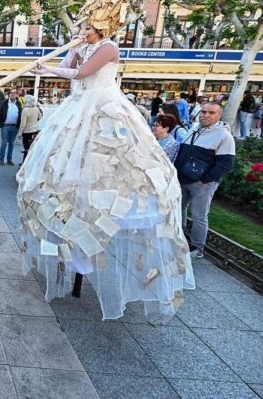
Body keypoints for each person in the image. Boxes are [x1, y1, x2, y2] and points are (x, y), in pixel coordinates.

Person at [20, 23, 194, 319]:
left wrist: (49, 70)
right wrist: (70, 52)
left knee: (113, 164)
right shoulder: (84, 46)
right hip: (77, 107)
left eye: (87, 26)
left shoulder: (109, 47)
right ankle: (75, 247)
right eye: (81, 26)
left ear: (100, 26)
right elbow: (70, 66)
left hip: (103, 107)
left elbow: (83, 74)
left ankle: (98, 242)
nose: (83, 30)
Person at [175, 102, 236, 259]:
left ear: (219, 115)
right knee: (178, 209)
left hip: (203, 183)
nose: (205, 115)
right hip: (183, 179)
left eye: (211, 112)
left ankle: (197, 247)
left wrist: (205, 180)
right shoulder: (194, 128)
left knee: (199, 216)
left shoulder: (224, 136)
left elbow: (226, 164)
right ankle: (179, 238)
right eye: (203, 111)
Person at [0, 89, 23, 166]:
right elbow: (0, 114)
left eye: (15, 93)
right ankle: (1, 160)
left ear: (17, 95)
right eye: (11, 93)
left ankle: (9, 160)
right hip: (5, 126)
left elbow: (20, 114)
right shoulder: (4, 103)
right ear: (8, 94)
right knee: (4, 143)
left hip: (15, 127)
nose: (13, 94)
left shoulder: (18, 103)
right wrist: (1, 124)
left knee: (11, 143)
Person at [17, 94, 42, 164]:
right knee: (31, 148)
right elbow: (40, 116)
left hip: (27, 132)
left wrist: (19, 134)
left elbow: (23, 124)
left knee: (26, 148)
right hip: (35, 130)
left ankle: (24, 163)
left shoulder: (25, 110)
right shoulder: (36, 108)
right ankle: (29, 163)